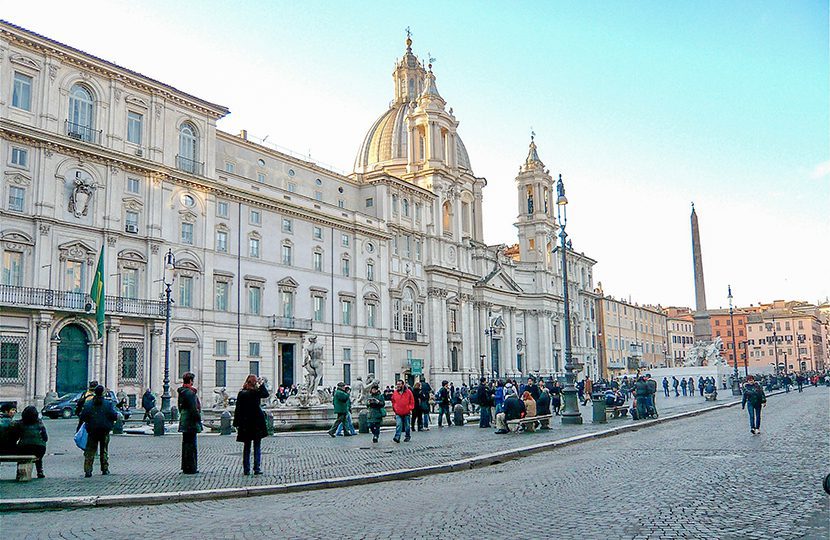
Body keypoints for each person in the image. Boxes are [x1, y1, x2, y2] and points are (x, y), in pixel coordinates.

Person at [232, 375, 270, 475]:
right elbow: (266, 394)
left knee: (246, 447)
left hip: (246, 423)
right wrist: (261, 384)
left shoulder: (241, 393)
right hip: (257, 423)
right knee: (257, 446)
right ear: (254, 382)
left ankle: (246, 469)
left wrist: (236, 423)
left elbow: (238, 409)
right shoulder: (256, 393)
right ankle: (256, 468)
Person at [79, 385, 117, 477]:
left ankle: (88, 470)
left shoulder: (88, 403)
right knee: (104, 450)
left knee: (90, 451)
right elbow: (114, 415)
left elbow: (83, 416)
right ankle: (105, 469)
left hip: (92, 430)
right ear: (103, 392)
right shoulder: (108, 404)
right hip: (104, 430)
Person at [177, 372, 202, 474]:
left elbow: (180, 407)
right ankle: (191, 467)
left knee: (186, 445)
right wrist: (198, 419)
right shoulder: (190, 393)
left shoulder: (181, 392)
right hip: (191, 422)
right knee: (192, 445)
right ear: (191, 381)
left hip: (184, 421)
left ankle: (185, 466)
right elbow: (193, 409)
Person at [15, 406, 48, 479]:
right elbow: (45, 437)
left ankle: (19, 473)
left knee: (21, 456)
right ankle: (40, 471)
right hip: (40, 449)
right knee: (38, 457)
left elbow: (16, 436)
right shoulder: (39, 423)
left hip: (24, 448)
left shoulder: (20, 423)